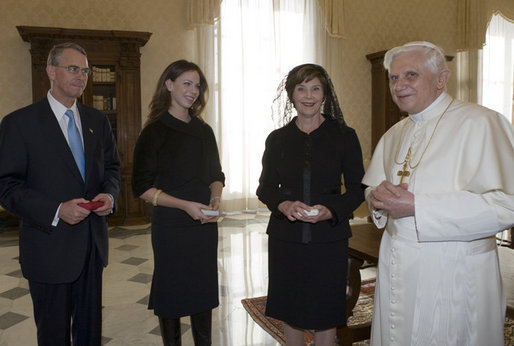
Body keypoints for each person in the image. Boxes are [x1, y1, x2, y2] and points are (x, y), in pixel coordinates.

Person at [362, 41, 514, 345]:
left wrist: (420, 207)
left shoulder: (482, 122)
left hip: (454, 271)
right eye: (394, 78)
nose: (399, 85)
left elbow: (507, 204)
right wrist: (378, 199)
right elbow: (373, 189)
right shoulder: (394, 133)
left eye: (411, 75)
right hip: (396, 263)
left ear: (441, 79)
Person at [0, 42, 121, 345]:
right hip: (48, 250)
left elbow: (112, 170)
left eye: (85, 70)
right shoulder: (20, 123)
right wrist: (56, 210)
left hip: (92, 247)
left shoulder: (97, 120)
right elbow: (7, 186)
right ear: (51, 71)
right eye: (72, 68)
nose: (81, 76)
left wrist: (110, 196)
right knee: (53, 336)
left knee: (89, 333)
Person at [256, 63, 365, 345]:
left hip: (330, 237)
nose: (308, 95)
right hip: (285, 238)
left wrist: (332, 210)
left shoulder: (344, 136)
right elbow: (265, 188)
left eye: (315, 88)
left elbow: (357, 189)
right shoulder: (277, 139)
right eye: (301, 88)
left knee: (326, 311)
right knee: (290, 308)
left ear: (325, 93)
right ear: (291, 94)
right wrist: (283, 205)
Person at [132, 60, 224, 346]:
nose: (193, 90)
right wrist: (185, 206)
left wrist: (215, 199)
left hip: (204, 224)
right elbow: (142, 187)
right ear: (169, 85)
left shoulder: (204, 130)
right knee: (171, 293)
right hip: (171, 225)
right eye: (187, 83)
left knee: (202, 291)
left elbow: (215, 174)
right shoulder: (154, 132)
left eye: (197, 85)